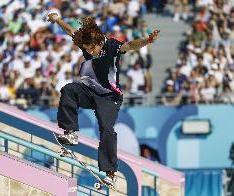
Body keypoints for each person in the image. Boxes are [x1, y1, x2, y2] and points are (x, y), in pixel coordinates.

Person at [47, 12, 160, 187]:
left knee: (106, 128)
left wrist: (147, 41)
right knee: (69, 89)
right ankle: (70, 133)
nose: (91, 52)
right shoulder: (87, 42)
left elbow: (130, 45)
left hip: (110, 97)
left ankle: (110, 172)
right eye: (88, 50)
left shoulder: (113, 46)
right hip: (90, 91)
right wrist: (57, 20)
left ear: (100, 42)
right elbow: (70, 31)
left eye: (93, 49)